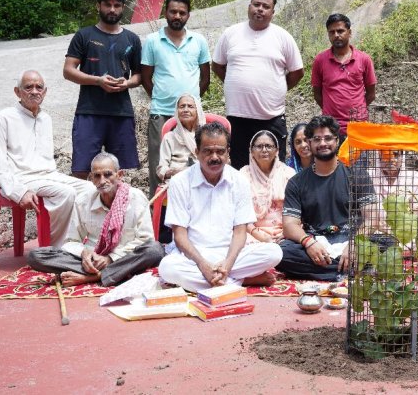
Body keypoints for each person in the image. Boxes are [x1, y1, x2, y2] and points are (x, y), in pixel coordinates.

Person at [158, 122, 283, 292]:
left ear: (228, 152)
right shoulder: (180, 181)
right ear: (197, 152)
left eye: (220, 151)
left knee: (274, 252)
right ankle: (241, 280)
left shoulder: (239, 180)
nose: (214, 157)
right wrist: (203, 265)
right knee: (167, 268)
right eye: (208, 151)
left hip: (231, 254)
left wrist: (227, 265)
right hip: (193, 256)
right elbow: (180, 237)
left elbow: (240, 232)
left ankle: (217, 279)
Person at [0, 70, 93, 247]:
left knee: (91, 189)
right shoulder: (4, 118)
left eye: (39, 87)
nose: (34, 91)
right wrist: (18, 192)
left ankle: (81, 242)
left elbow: (45, 161)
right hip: (20, 179)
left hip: (48, 175)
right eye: (28, 87)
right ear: (17, 91)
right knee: (66, 193)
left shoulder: (46, 119)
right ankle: (56, 249)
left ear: (45, 92)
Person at [27, 152, 163, 286]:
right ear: (91, 178)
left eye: (108, 174)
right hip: (93, 259)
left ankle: (95, 277)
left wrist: (110, 258)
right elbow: (71, 241)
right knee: (36, 256)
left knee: (154, 250)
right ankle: (111, 273)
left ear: (119, 175)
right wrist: (85, 253)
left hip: (124, 256)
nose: (102, 181)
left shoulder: (136, 198)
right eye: (97, 176)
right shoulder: (83, 201)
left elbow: (145, 239)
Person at [212, 0, 304, 169]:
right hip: (238, 117)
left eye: (265, 6)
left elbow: (297, 72)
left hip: (271, 116)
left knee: (273, 167)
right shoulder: (231, 33)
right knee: (240, 167)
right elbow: (217, 65)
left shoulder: (282, 37)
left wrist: (276, 89)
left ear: (273, 12)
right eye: (256, 4)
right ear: (249, 7)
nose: (260, 9)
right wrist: (235, 85)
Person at [277, 116, 375, 281]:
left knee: (387, 245)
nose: (323, 143)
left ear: (337, 141)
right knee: (282, 253)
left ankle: (328, 271)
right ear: (309, 142)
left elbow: (372, 218)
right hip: (317, 244)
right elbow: (289, 225)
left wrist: (355, 245)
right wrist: (308, 243)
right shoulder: (297, 182)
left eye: (328, 138)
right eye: (317, 139)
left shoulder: (357, 175)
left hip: (352, 239)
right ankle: (348, 271)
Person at [63, 0, 142, 179]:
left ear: (123, 7)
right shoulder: (84, 36)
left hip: (121, 112)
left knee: (122, 172)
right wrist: (98, 80)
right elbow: (68, 70)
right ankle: (84, 208)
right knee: (82, 170)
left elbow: (139, 75)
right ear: (98, 6)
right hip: (89, 111)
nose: (112, 9)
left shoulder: (132, 39)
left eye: (117, 5)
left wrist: (127, 83)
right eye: (107, 4)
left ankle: (117, 209)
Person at [141, 0, 210, 196]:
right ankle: (159, 214)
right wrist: (163, 100)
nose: (177, 16)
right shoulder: (153, 41)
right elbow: (146, 78)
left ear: (188, 15)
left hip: (193, 116)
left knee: (197, 159)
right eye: (173, 11)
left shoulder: (198, 40)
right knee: (158, 164)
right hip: (161, 112)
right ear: (165, 13)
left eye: (182, 12)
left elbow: (205, 78)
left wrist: (191, 104)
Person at [311, 13, 377, 136]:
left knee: (359, 155)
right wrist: (331, 112)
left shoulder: (364, 59)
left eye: (340, 31)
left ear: (349, 32)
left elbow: (371, 94)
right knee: (333, 156)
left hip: (358, 126)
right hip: (331, 127)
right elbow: (317, 95)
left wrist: (358, 110)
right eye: (332, 32)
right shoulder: (320, 60)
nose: (336, 35)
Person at [240, 131, 295, 243]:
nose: (264, 150)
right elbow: (239, 214)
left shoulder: (288, 174)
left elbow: (298, 210)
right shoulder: (242, 175)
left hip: (286, 232)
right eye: (259, 146)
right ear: (251, 150)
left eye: (269, 146)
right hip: (252, 234)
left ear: (277, 150)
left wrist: (286, 233)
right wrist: (259, 236)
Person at [156, 94, 205, 184]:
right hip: (176, 182)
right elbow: (161, 169)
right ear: (177, 111)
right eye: (182, 106)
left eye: (190, 106)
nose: (186, 110)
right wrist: (175, 171)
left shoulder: (206, 136)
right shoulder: (169, 137)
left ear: (197, 110)